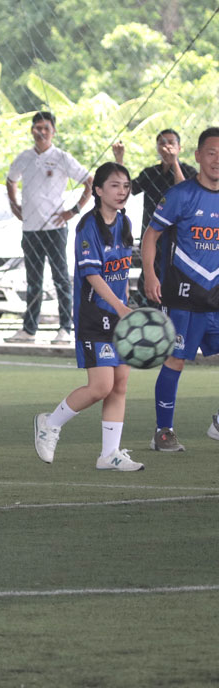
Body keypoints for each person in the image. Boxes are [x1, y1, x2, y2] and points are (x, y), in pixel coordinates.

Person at [33, 162, 143, 471]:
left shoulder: (124, 222)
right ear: (98, 190)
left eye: (126, 186)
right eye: (114, 185)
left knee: (120, 384)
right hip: (94, 317)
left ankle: (110, 454)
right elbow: (93, 275)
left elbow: (121, 272)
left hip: (118, 315)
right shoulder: (87, 226)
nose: (122, 191)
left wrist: (124, 304)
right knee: (100, 387)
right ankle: (50, 423)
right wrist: (119, 307)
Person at [140, 126, 219, 453]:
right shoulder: (180, 195)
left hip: (216, 295)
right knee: (176, 360)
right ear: (198, 156)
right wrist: (149, 275)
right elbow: (150, 236)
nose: (217, 160)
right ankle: (164, 431)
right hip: (183, 295)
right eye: (211, 153)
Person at [5, 111, 92, 345]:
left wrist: (74, 210)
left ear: (53, 131)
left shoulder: (62, 157)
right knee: (33, 281)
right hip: (30, 228)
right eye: (37, 128)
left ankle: (65, 328)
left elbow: (89, 181)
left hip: (55, 228)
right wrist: (14, 205)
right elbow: (11, 180)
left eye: (46, 128)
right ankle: (29, 330)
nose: (41, 132)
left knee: (61, 278)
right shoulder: (24, 157)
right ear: (32, 130)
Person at [112, 129, 197, 308]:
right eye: (162, 143)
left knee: (175, 287)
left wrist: (174, 163)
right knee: (149, 288)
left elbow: (184, 193)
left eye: (171, 142)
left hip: (178, 239)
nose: (166, 146)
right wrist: (119, 160)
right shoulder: (151, 173)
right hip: (152, 237)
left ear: (179, 147)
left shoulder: (188, 171)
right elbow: (127, 190)